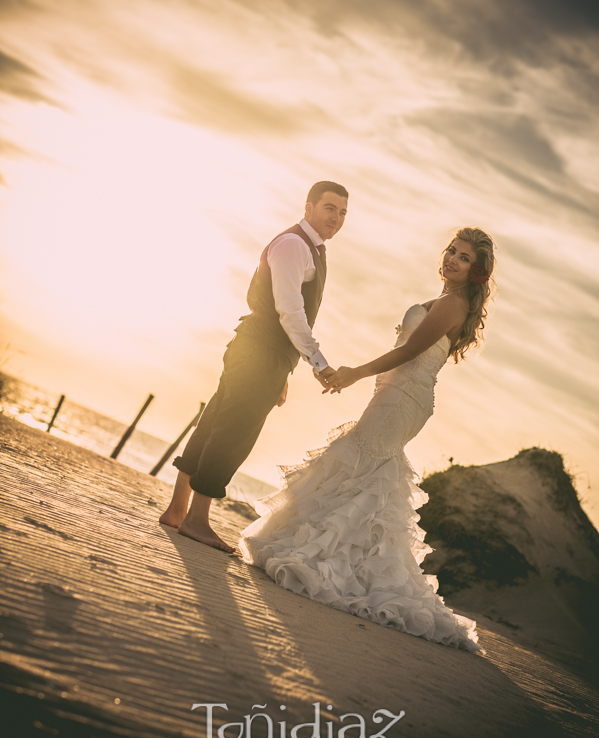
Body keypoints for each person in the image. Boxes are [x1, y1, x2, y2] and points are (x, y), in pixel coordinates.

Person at [239, 227, 495, 653]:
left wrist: (354, 372)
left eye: (464, 257)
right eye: (451, 250)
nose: (452, 258)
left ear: (477, 271)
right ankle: (347, 558)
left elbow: (409, 351)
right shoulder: (450, 300)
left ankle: (336, 564)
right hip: (398, 395)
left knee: (360, 461)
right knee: (370, 471)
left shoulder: (452, 304)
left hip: (403, 398)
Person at [159, 181, 349, 552]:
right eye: (330, 208)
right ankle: (196, 520)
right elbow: (290, 311)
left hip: (261, 350)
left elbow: (288, 316)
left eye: (342, 212)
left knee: (215, 421)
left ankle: (177, 510)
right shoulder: (295, 244)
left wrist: (284, 371)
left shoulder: (310, 248)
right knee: (233, 433)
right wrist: (318, 362)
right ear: (308, 207)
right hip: (260, 349)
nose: (336, 218)